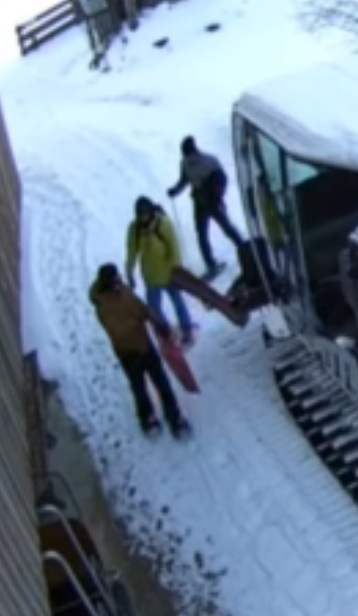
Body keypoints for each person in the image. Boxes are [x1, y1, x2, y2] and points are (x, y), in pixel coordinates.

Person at [90, 263, 190, 438]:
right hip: (128, 353)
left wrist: (157, 322)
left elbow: (140, 308)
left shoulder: (123, 290)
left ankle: (174, 415)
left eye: (118, 278)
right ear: (106, 284)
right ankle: (147, 417)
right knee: (139, 388)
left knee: (162, 382)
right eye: (114, 281)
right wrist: (137, 322)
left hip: (146, 345)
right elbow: (117, 331)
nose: (118, 282)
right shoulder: (103, 306)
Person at [166, 135, 245, 280]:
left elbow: (223, 179)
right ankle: (211, 264)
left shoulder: (209, 161)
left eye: (189, 154)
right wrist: (175, 190)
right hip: (199, 202)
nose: (188, 158)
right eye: (185, 155)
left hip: (212, 201)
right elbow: (184, 180)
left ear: (195, 150)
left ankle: (245, 249)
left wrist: (217, 196)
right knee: (201, 234)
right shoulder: (185, 163)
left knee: (226, 227)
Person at [125, 196, 195, 346]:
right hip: (151, 276)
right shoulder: (135, 229)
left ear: (150, 212)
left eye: (145, 214)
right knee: (154, 308)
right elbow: (132, 252)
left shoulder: (164, 224)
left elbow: (174, 249)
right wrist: (129, 272)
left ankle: (187, 329)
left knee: (178, 302)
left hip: (169, 273)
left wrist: (176, 270)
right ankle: (166, 332)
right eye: (140, 215)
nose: (143, 218)